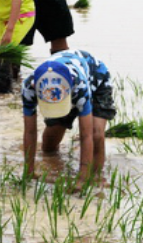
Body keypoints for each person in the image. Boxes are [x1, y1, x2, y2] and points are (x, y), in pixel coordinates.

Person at [21, 49, 116, 191]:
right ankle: (54, 159)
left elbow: (87, 134)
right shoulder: (29, 87)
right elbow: (29, 132)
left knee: (96, 134)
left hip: (96, 80)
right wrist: (29, 171)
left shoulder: (80, 86)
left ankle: (95, 177)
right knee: (49, 144)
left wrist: (82, 179)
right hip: (60, 88)